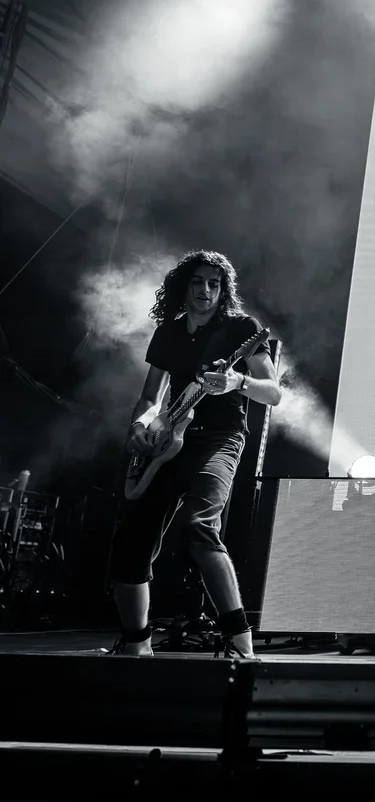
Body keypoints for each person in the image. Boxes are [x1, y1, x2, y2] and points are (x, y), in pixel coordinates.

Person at [110, 250, 282, 657]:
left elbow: (273, 392)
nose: (206, 290)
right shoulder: (168, 332)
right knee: (131, 543)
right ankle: (136, 646)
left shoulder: (243, 329)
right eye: (198, 282)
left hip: (220, 437)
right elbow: (150, 398)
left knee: (197, 524)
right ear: (183, 287)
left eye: (214, 283)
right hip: (168, 441)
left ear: (223, 290)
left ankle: (241, 644)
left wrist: (236, 381)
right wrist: (139, 427)